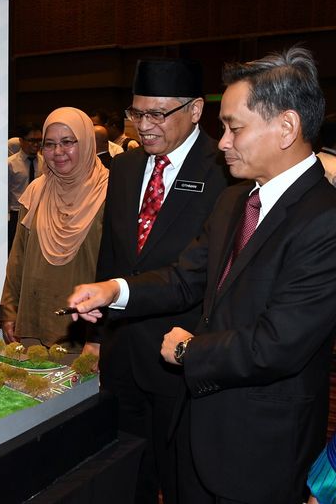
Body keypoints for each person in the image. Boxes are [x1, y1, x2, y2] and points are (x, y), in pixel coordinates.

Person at [69, 46, 336, 504]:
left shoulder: (325, 219)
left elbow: (279, 344)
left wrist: (189, 350)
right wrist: (114, 290)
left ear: (286, 127)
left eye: (235, 128)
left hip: (260, 444)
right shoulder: (236, 200)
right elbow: (184, 278)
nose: (224, 142)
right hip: (198, 425)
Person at [83, 57, 231, 504]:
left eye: (158, 114)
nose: (144, 126)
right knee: (127, 476)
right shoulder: (126, 168)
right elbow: (113, 255)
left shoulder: (225, 170)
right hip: (123, 354)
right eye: (136, 113)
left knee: (182, 478)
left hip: (181, 356)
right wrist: (98, 336)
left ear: (195, 109)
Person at [0, 108, 107, 346]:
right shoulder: (36, 191)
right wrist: (8, 310)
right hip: (34, 321)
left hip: (86, 328)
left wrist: (102, 337)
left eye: (67, 142)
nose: (58, 152)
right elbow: (18, 257)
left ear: (86, 142)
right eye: (49, 144)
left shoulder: (110, 192)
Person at [7, 124, 43, 251]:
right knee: (16, 251)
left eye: (39, 140)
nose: (36, 144)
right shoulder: (10, 164)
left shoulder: (45, 163)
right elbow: (4, 194)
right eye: (32, 140)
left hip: (39, 214)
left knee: (34, 251)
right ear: (21, 141)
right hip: (16, 215)